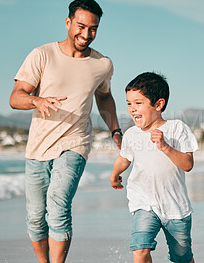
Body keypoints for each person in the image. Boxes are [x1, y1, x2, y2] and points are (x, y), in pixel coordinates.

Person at [9, 0, 122, 262]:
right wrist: (37, 100)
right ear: (68, 22)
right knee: (36, 216)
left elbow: (104, 97)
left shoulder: (102, 64)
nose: (86, 34)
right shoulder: (42, 55)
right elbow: (16, 97)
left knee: (58, 204)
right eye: (81, 26)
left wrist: (115, 129)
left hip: (75, 143)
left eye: (93, 29)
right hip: (38, 146)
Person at [110, 72, 198, 263]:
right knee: (140, 249)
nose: (132, 109)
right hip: (145, 203)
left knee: (182, 257)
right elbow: (124, 158)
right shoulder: (132, 134)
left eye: (138, 103)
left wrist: (165, 147)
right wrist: (115, 174)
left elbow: (187, 164)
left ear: (158, 104)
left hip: (175, 207)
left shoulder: (177, 128)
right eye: (129, 103)